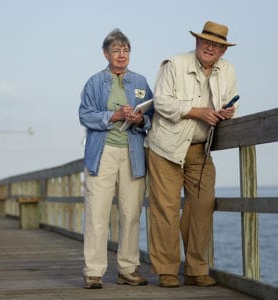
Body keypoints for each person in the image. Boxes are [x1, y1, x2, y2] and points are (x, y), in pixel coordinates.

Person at [145, 21, 238, 288]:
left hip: (200, 148)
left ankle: (196, 269)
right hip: (166, 147)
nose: (210, 47)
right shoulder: (173, 64)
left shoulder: (228, 70)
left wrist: (228, 112)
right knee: (167, 209)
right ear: (197, 42)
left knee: (203, 205)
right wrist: (197, 111)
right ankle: (167, 270)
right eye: (206, 41)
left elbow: (231, 101)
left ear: (223, 51)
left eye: (217, 45)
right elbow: (161, 102)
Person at [79, 28, 153, 289]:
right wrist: (114, 116)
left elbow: (152, 118)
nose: (122, 55)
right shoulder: (94, 82)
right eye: (116, 50)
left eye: (126, 50)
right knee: (97, 214)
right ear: (105, 54)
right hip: (102, 154)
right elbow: (85, 115)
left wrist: (140, 118)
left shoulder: (142, 82)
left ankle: (128, 269)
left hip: (133, 155)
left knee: (131, 214)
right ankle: (93, 272)